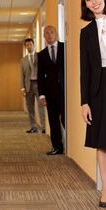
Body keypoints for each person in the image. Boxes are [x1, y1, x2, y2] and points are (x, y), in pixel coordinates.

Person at [80, 0, 106, 208]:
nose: (94, 1)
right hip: (99, 88)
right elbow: (85, 70)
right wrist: (85, 102)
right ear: (86, 6)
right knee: (102, 141)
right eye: (89, 0)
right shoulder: (86, 32)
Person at [38, 26, 65, 155]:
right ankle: (57, 147)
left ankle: (68, 144)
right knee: (53, 121)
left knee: (65, 119)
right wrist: (41, 94)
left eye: (51, 32)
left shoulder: (65, 48)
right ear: (44, 36)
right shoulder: (42, 54)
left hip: (64, 92)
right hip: (50, 93)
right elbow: (40, 76)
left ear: (57, 34)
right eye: (46, 33)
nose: (49, 35)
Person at [21, 38, 46, 133]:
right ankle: (33, 127)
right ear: (25, 47)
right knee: (30, 107)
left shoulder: (39, 56)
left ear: (33, 45)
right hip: (28, 85)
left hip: (39, 84)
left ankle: (43, 127)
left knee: (41, 106)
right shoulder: (23, 60)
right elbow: (22, 75)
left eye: (30, 44)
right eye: (27, 45)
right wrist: (22, 88)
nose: (28, 46)